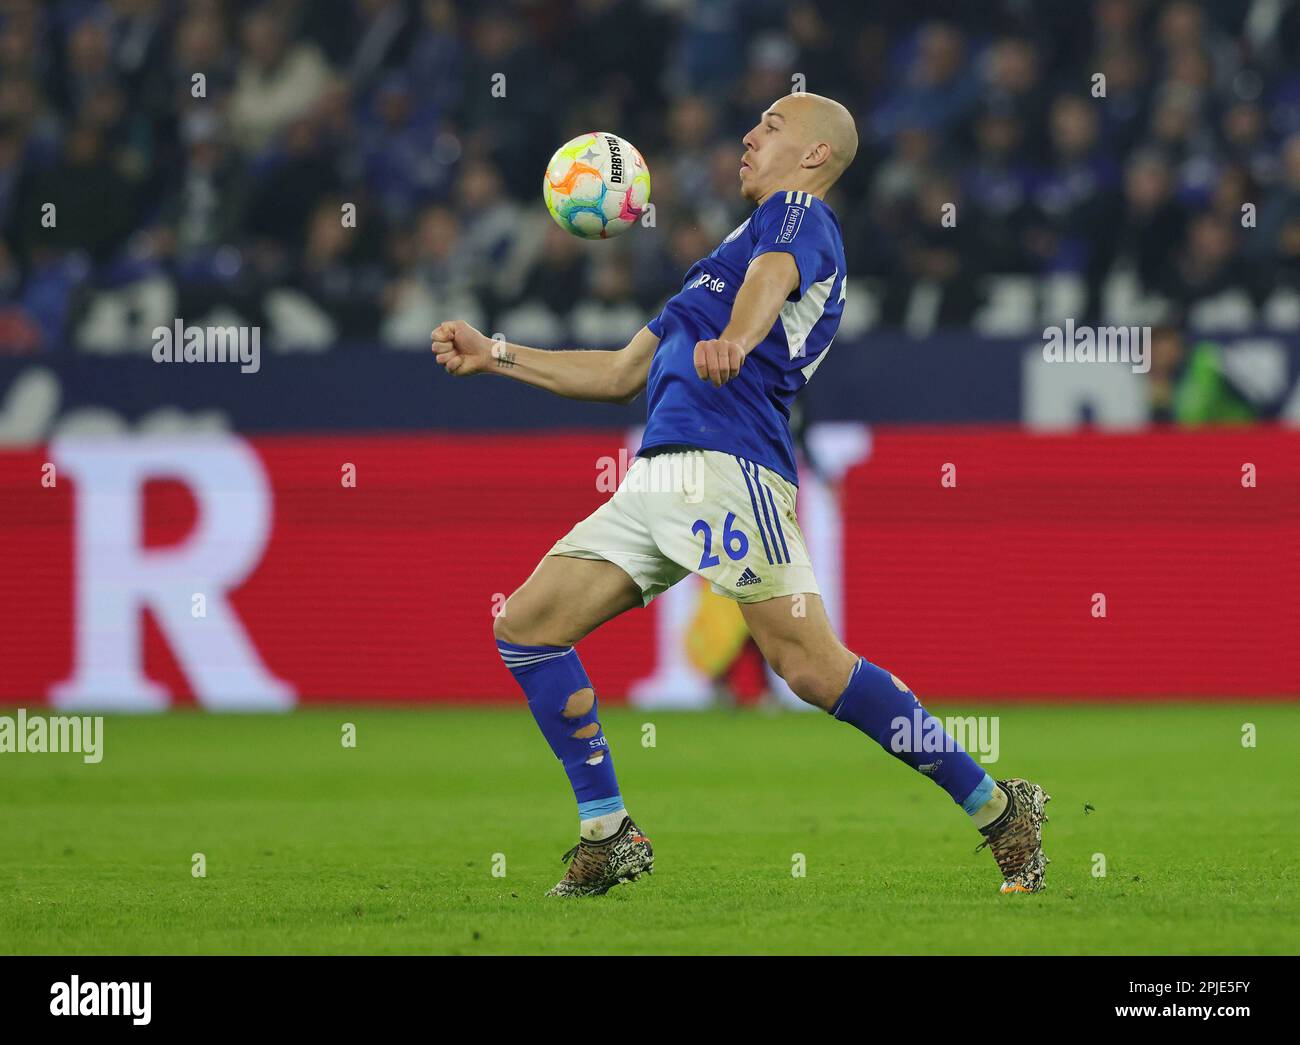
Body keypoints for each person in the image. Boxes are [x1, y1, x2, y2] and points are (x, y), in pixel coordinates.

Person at [432, 93, 1050, 897]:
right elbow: (621, 372)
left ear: (815, 155)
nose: (750, 137)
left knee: (810, 666)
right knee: (526, 627)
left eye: (771, 126)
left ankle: (1001, 809)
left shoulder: (799, 218)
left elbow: (771, 280)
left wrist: (740, 336)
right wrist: (497, 354)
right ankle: (607, 829)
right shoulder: (721, 256)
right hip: (657, 474)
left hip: (730, 466)